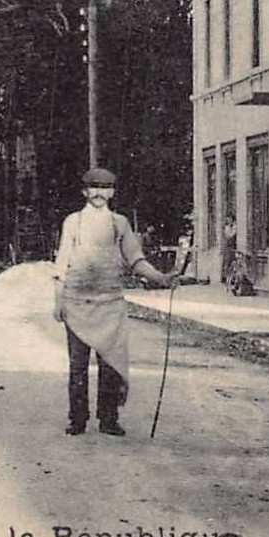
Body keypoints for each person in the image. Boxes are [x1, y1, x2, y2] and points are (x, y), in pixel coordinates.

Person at [51, 167, 174, 437]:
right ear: (84, 191)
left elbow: (135, 258)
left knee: (111, 364)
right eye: (93, 187)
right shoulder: (73, 222)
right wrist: (58, 300)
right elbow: (62, 261)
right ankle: (78, 419)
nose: (99, 193)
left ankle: (109, 419)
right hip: (77, 301)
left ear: (112, 192)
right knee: (78, 364)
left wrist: (161, 277)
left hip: (110, 303)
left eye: (105, 188)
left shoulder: (120, 223)